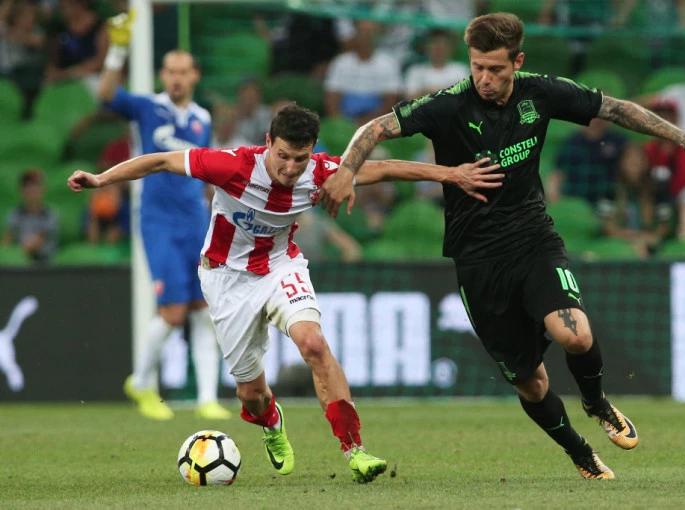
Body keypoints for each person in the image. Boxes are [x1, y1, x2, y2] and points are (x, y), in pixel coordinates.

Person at [319, 12, 685, 479]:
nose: (484, 78)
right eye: (477, 67)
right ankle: (580, 452)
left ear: (517, 62)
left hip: (533, 239)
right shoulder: (449, 105)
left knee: (576, 335)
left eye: (495, 69)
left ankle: (597, 403)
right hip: (477, 259)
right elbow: (374, 128)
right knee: (531, 382)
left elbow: (614, 109)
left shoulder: (541, 92)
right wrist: (347, 170)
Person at [66, 103, 502, 483]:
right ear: (267, 143)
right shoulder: (232, 165)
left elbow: (387, 168)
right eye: (283, 156)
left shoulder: (321, 172)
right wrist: (101, 179)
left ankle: (355, 450)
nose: (291, 168)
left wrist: (452, 174)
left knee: (313, 343)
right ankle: (272, 423)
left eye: (300, 158)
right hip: (226, 278)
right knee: (251, 396)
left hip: (280, 266)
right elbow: (160, 160)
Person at [97, 12, 230, 420]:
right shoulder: (147, 107)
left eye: (182, 72)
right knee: (172, 312)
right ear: (162, 75)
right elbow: (106, 94)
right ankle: (140, 383)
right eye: (170, 71)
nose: (176, 78)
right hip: (158, 221)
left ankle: (207, 399)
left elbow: (204, 172)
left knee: (203, 309)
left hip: (196, 219)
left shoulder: (202, 118)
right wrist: (117, 50)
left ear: (194, 75)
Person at [2, 168, 58, 263]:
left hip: (44, 262)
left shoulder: (49, 214)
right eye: (28, 186)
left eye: (35, 185)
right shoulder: (16, 213)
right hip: (21, 261)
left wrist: (17, 253)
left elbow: (37, 243)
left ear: (43, 189)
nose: (32, 190)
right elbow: (7, 238)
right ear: (21, 190)